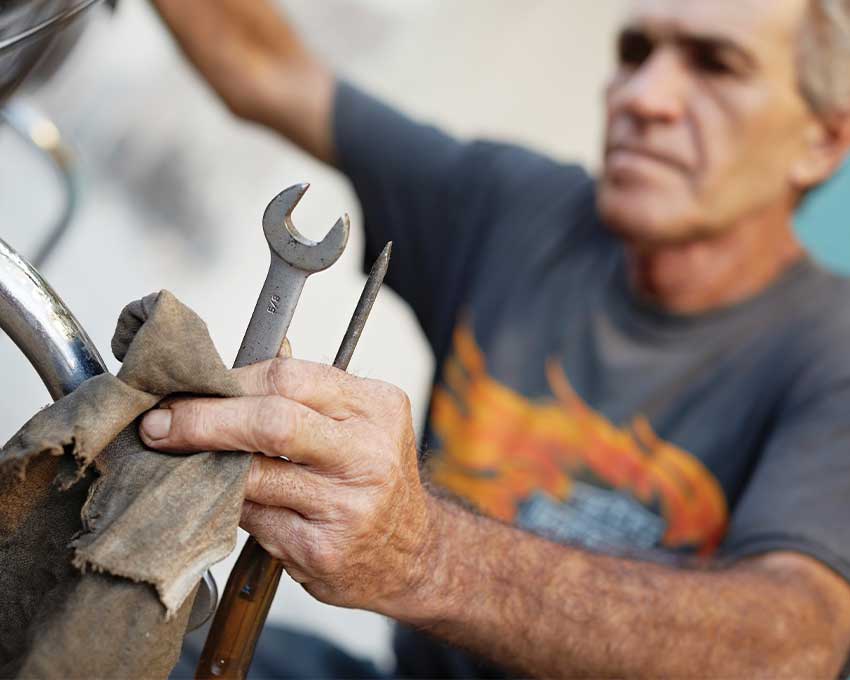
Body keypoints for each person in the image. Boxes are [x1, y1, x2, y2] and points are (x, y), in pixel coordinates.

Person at [145, 0, 850, 676]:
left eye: (717, 65)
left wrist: (424, 555)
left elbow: (791, 647)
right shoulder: (518, 211)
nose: (645, 96)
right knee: (126, 631)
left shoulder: (831, 352)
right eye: (634, 53)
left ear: (821, 141)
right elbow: (270, 71)